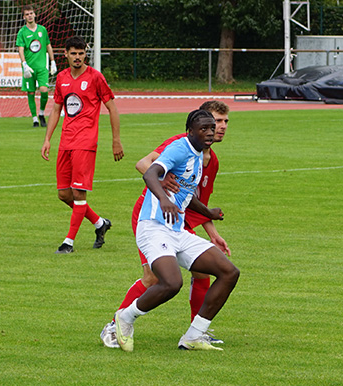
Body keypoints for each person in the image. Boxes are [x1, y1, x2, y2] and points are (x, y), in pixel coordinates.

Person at [101, 101, 231, 348]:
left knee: (206, 270)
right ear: (194, 127)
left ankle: (196, 332)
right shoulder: (180, 144)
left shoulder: (209, 160)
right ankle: (114, 325)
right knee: (154, 278)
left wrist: (212, 231)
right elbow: (144, 165)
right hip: (151, 214)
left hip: (177, 220)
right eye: (214, 122)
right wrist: (163, 179)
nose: (219, 128)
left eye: (223, 122)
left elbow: (191, 198)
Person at [41, 36, 124, 254]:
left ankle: (68, 242)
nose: (77, 57)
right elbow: (57, 108)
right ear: (66, 54)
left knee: (79, 194)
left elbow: (112, 108)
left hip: (86, 142)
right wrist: (48, 138)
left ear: (85, 54)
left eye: (81, 53)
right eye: (73, 53)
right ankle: (99, 223)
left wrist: (116, 140)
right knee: (64, 194)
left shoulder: (95, 77)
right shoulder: (61, 78)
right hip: (66, 141)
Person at [16, 4, 57, 128]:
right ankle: (34, 118)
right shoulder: (22, 32)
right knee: (31, 93)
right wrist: (24, 64)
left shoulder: (42, 30)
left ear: (35, 14)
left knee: (44, 90)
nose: (29, 16)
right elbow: (21, 49)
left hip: (41, 67)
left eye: (31, 13)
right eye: (27, 14)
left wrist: (52, 61)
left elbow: (48, 45)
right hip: (29, 68)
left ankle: (41, 113)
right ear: (24, 17)